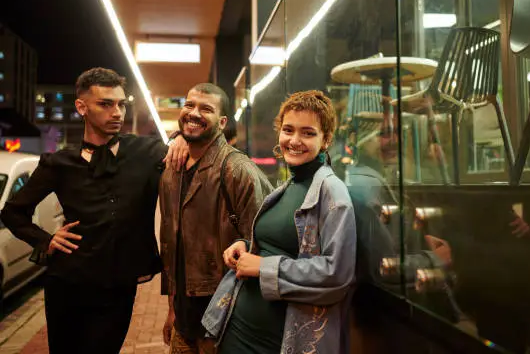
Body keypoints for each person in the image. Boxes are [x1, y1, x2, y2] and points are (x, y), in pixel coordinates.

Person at [0, 67, 188, 354]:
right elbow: (13, 211)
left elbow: (184, 148)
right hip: (67, 284)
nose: (118, 112)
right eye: (106, 104)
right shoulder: (58, 163)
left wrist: (183, 138)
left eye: (122, 104)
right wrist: (45, 239)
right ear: (81, 107)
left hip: (118, 287)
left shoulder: (146, 152)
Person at [205, 90, 357, 354]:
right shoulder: (289, 185)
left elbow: (337, 275)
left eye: (308, 133)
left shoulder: (333, 192)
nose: (294, 140)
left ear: (326, 139)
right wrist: (244, 245)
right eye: (288, 130)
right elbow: (277, 242)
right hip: (237, 330)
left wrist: (263, 266)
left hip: (280, 342)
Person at [159, 83, 273, 353]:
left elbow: (263, 244)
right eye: (189, 105)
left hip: (226, 317)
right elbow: (172, 245)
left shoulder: (238, 170)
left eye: (205, 109)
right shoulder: (170, 171)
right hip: (184, 320)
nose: (194, 113)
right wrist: (171, 310)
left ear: (222, 122)